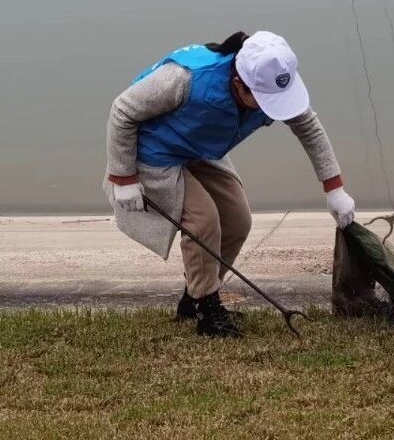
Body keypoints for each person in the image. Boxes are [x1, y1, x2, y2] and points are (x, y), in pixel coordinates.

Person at [104, 30, 356, 338]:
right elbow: (122, 111)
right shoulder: (184, 80)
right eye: (263, 101)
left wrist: (334, 188)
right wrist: (123, 177)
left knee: (238, 220)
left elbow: (309, 127)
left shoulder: (274, 79)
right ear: (238, 84)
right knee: (203, 221)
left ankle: (194, 297)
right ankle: (207, 309)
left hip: (199, 149)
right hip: (153, 152)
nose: (271, 107)